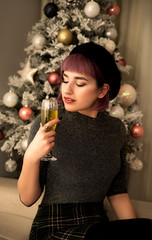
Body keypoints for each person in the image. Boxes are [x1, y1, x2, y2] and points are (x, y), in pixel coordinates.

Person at [18, 42, 152, 240]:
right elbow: (27, 199)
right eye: (65, 80)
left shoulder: (116, 129)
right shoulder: (50, 120)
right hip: (53, 227)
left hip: (96, 223)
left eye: (80, 83)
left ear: (102, 90)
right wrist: (30, 157)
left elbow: (118, 192)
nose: (68, 90)